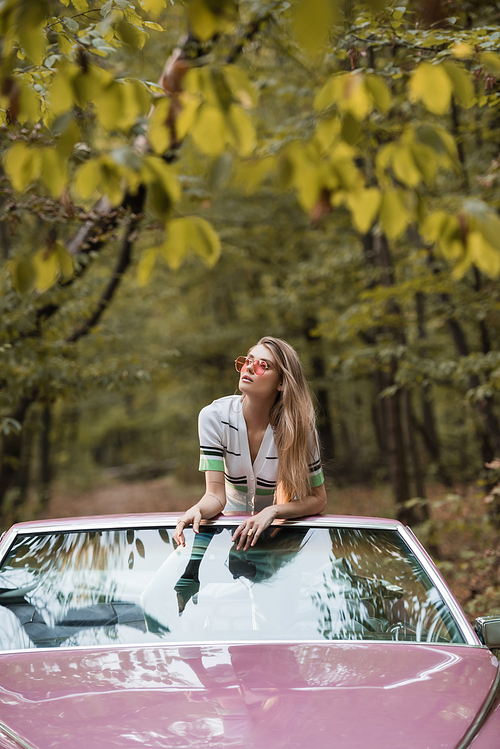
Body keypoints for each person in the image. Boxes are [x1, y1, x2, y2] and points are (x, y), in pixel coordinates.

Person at [174, 336, 327, 550]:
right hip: (228, 536)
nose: (249, 368)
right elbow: (215, 495)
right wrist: (197, 510)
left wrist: (273, 511)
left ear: (282, 383)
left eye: (262, 365)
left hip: (282, 540)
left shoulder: (300, 428)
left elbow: (318, 499)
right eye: (248, 361)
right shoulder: (213, 417)